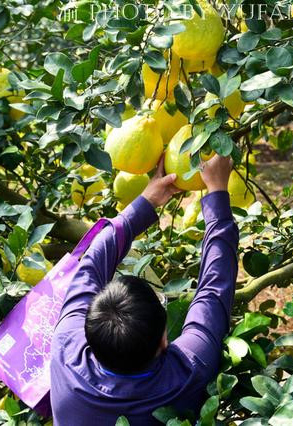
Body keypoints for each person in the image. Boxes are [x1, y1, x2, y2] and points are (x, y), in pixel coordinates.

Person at [50, 154, 238, 425]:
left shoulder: (66, 348)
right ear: (164, 341)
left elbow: (90, 265)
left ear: (87, 332)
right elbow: (213, 292)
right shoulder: (188, 372)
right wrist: (218, 192)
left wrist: (146, 202)